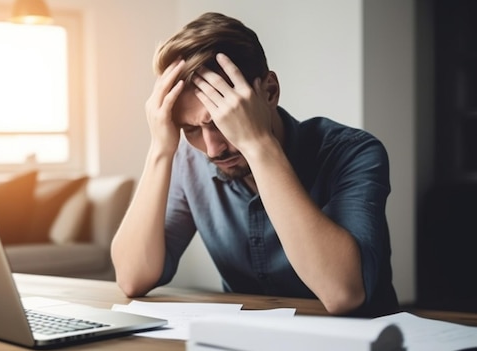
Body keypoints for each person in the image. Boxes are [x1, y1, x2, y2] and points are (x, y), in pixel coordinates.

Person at [110, 12, 398, 317]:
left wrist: (258, 145)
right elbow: (132, 278)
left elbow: (343, 293)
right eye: (190, 129)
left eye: (222, 120)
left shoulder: (353, 152)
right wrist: (160, 149)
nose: (212, 148)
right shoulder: (189, 161)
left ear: (270, 91)